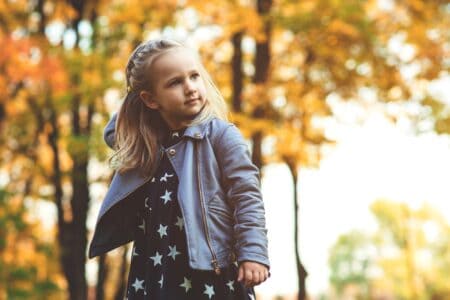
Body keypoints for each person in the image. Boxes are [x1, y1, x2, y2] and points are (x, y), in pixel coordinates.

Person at [88, 38, 270, 300]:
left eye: (194, 76)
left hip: (210, 271)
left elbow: (247, 198)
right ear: (150, 99)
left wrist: (253, 253)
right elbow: (113, 131)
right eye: (175, 82)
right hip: (157, 273)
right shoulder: (149, 144)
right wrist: (135, 94)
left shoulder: (220, 136)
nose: (190, 88)